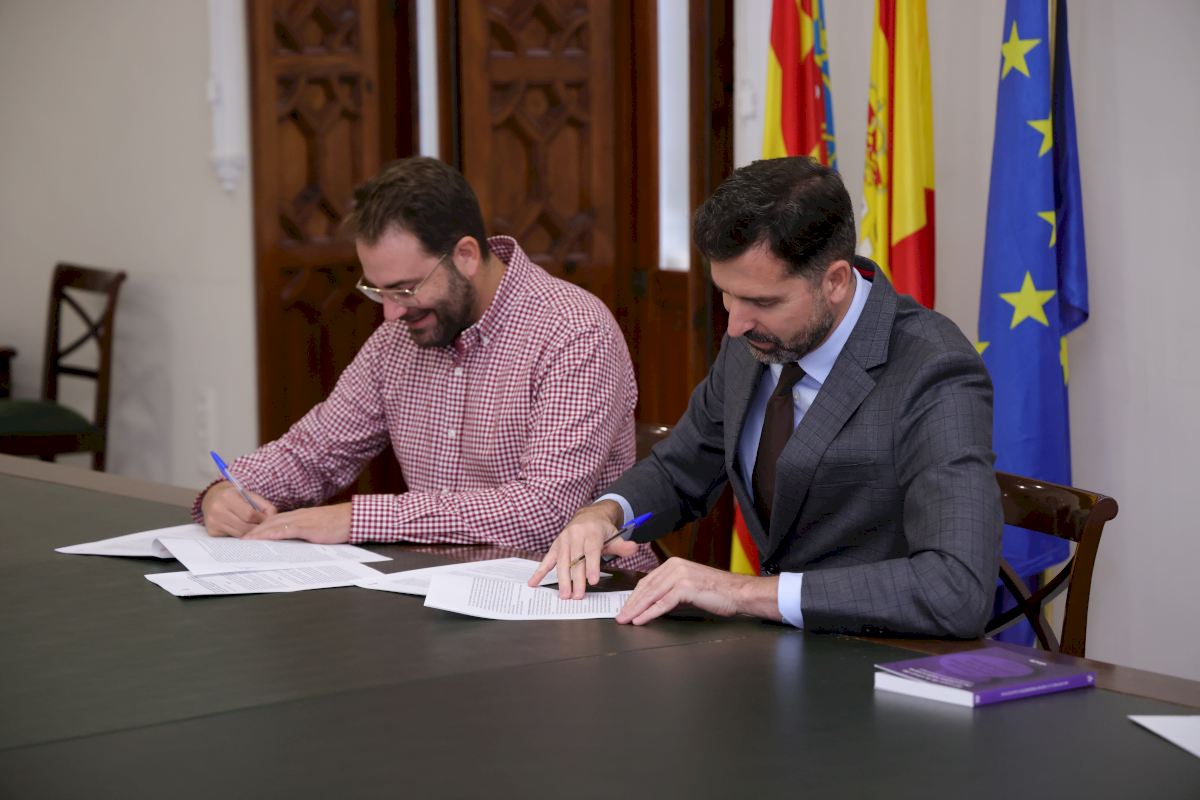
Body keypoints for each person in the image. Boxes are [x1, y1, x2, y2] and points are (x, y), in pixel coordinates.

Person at [530, 156, 1002, 636]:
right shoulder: (757, 338)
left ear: (835, 281)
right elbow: (680, 472)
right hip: (778, 650)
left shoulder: (932, 368)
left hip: (886, 655)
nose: (735, 324)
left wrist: (741, 592)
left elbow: (956, 587)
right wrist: (606, 513)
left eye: (762, 301)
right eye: (726, 294)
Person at [194, 156, 658, 572]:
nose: (391, 313)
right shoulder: (397, 342)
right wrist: (226, 493)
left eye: (405, 289)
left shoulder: (573, 331)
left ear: (466, 256)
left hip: (576, 595)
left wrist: (357, 519)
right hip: (436, 591)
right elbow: (313, 453)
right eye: (377, 291)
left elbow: (542, 512)